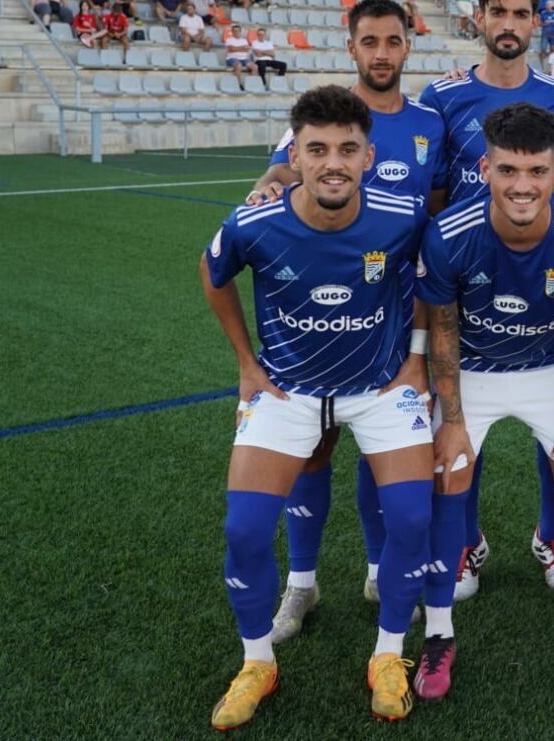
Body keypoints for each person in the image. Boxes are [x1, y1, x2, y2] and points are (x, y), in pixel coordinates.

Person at [203, 86, 434, 729]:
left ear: (368, 156)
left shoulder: (402, 216)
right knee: (244, 531)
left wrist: (416, 359)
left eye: (347, 149)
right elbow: (211, 273)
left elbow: (431, 284)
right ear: (294, 156)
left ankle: (388, 656)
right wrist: (247, 365)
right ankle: (257, 663)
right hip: (287, 392)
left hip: (380, 392)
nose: (333, 161)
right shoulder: (253, 222)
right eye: (317, 149)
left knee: (412, 520)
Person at [244, 0, 450, 634]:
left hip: (392, 317)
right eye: (370, 42)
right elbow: (283, 167)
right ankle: (300, 585)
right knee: (314, 448)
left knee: (381, 451)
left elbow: (433, 214)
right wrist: (265, 185)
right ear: (353, 46)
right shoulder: (331, 115)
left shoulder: (430, 122)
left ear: (407, 45)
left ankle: (376, 568)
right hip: (321, 312)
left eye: (393, 41)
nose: (382, 53)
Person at [413, 101, 554, 693]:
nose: (522, 186)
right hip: (472, 373)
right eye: (508, 171)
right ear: (486, 169)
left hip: (549, 371)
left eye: (536, 172)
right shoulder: (449, 233)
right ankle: (438, 634)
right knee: (447, 470)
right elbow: (444, 333)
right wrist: (451, 419)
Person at [417, 0, 554, 599]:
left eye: (520, 12)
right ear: (478, 19)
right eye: (497, 12)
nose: (509, 24)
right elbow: (429, 191)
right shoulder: (443, 95)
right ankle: (464, 541)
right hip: (463, 280)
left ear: (536, 21)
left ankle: (552, 533)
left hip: (545, 279)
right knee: (458, 420)